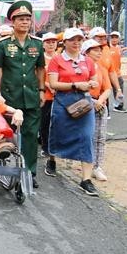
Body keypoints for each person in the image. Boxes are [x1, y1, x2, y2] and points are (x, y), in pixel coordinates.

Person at [0, 1, 45, 188]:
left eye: (27, 19)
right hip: (10, 97)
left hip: (31, 96)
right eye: (20, 19)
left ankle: (29, 172)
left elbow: (40, 69)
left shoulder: (37, 45)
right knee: (9, 135)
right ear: (12, 22)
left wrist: (41, 90)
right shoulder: (3, 45)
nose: (25, 22)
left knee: (31, 136)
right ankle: (10, 169)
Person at [47, 27, 100, 196]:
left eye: (79, 39)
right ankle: (52, 158)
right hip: (63, 100)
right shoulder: (56, 60)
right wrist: (75, 85)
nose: (76, 43)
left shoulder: (87, 61)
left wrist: (91, 84)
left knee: (87, 136)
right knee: (58, 132)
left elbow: (94, 78)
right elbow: (53, 84)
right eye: (72, 40)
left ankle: (86, 180)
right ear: (65, 42)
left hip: (84, 102)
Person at [82, 39, 112, 182]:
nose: (99, 52)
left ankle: (97, 167)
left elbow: (107, 88)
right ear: (86, 52)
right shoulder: (81, 67)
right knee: (87, 136)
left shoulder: (101, 68)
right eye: (95, 50)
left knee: (100, 137)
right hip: (85, 103)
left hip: (100, 104)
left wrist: (100, 101)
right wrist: (92, 101)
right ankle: (84, 163)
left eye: (100, 50)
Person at [88, 27, 123, 116]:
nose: (103, 40)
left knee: (100, 123)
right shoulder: (83, 52)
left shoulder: (107, 50)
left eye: (104, 37)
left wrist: (118, 89)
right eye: (99, 37)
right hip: (87, 95)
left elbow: (112, 71)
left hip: (103, 92)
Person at [41, 32, 59, 176]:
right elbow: (38, 76)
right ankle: (46, 148)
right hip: (45, 96)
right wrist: (49, 85)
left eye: (53, 42)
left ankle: (54, 148)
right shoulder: (41, 59)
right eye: (48, 42)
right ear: (43, 44)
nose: (51, 44)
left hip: (59, 96)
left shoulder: (59, 58)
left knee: (57, 124)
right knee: (45, 123)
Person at [108, 31, 126, 112]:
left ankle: (119, 106)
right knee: (106, 90)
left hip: (117, 73)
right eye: (112, 37)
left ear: (119, 39)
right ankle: (105, 109)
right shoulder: (106, 48)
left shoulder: (119, 48)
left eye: (116, 37)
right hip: (108, 74)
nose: (114, 39)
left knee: (119, 90)